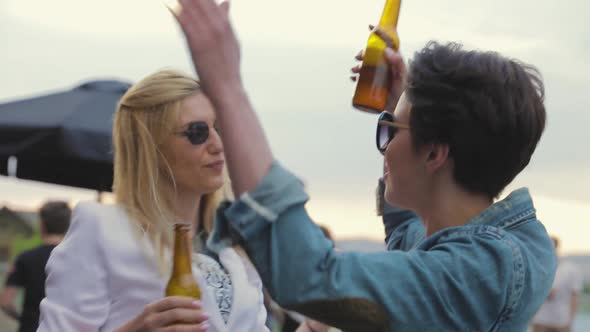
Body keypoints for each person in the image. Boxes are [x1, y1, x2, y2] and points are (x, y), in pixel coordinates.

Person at [172, 1, 556, 331]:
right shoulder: (493, 251)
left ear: (435, 154)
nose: (385, 148)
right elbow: (407, 236)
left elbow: (310, 275)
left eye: (389, 131)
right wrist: (401, 105)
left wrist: (226, 88)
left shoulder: (478, 273)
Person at [37, 69, 269, 332]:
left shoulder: (235, 241)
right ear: (151, 147)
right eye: (197, 132)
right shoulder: (103, 227)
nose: (218, 144)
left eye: (221, 128)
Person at [0, 200, 71, 332]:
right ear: (67, 226)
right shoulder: (78, 260)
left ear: (42, 225)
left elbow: (5, 301)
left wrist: (24, 319)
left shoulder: (26, 258)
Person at [532, 237, 583, 332]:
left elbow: (575, 296)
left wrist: (570, 321)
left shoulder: (570, 269)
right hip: (540, 320)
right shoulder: (538, 267)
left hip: (561, 321)